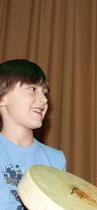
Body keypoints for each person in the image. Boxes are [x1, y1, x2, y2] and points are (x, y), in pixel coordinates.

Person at [0, 59, 66, 209]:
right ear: (2, 98)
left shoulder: (55, 158)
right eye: (32, 89)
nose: (43, 99)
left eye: (44, 93)